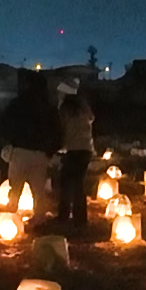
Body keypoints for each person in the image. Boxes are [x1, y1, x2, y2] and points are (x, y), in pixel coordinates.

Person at [0, 69, 62, 217]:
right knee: (38, 190)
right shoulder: (48, 107)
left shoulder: (18, 104)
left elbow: (4, 124)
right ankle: (39, 219)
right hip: (41, 152)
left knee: (15, 188)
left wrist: (8, 142)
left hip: (20, 150)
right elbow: (57, 130)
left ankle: (10, 217)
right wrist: (51, 150)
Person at [55, 91, 94, 229]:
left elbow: (61, 129)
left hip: (73, 149)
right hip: (86, 150)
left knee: (66, 182)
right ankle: (80, 217)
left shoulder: (65, 111)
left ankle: (64, 214)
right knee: (79, 184)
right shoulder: (84, 111)